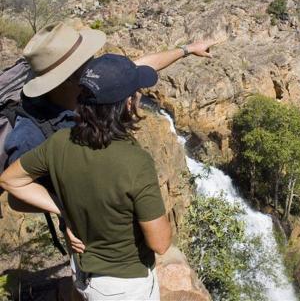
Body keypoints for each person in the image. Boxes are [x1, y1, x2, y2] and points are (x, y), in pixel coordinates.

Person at [0, 54, 172, 300]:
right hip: (124, 285)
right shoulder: (136, 162)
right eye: (136, 93)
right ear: (127, 105)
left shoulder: (59, 141)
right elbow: (161, 243)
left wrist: (63, 208)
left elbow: (9, 180)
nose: (139, 97)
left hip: (82, 272)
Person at [4, 19, 218, 212]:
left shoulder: (84, 87)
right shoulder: (29, 135)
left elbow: (136, 68)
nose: (94, 64)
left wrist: (187, 49)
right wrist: (68, 212)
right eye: (86, 61)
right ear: (67, 78)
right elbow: (18, 198)